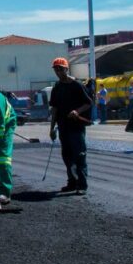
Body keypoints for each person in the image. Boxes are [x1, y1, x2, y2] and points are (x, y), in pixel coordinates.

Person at [49, 57, 94, 195]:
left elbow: (88, 103)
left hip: (76, 126)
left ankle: (82, 184)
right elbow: (54, 108)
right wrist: (52, 128)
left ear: (66, 69)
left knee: (79, 154)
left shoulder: (77, 85)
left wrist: (77, 111)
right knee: (67, 155)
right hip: (63, 126)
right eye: (56, 69)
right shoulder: (57, 87)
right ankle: (72, 182)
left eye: (60, 69)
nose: (58, 71)